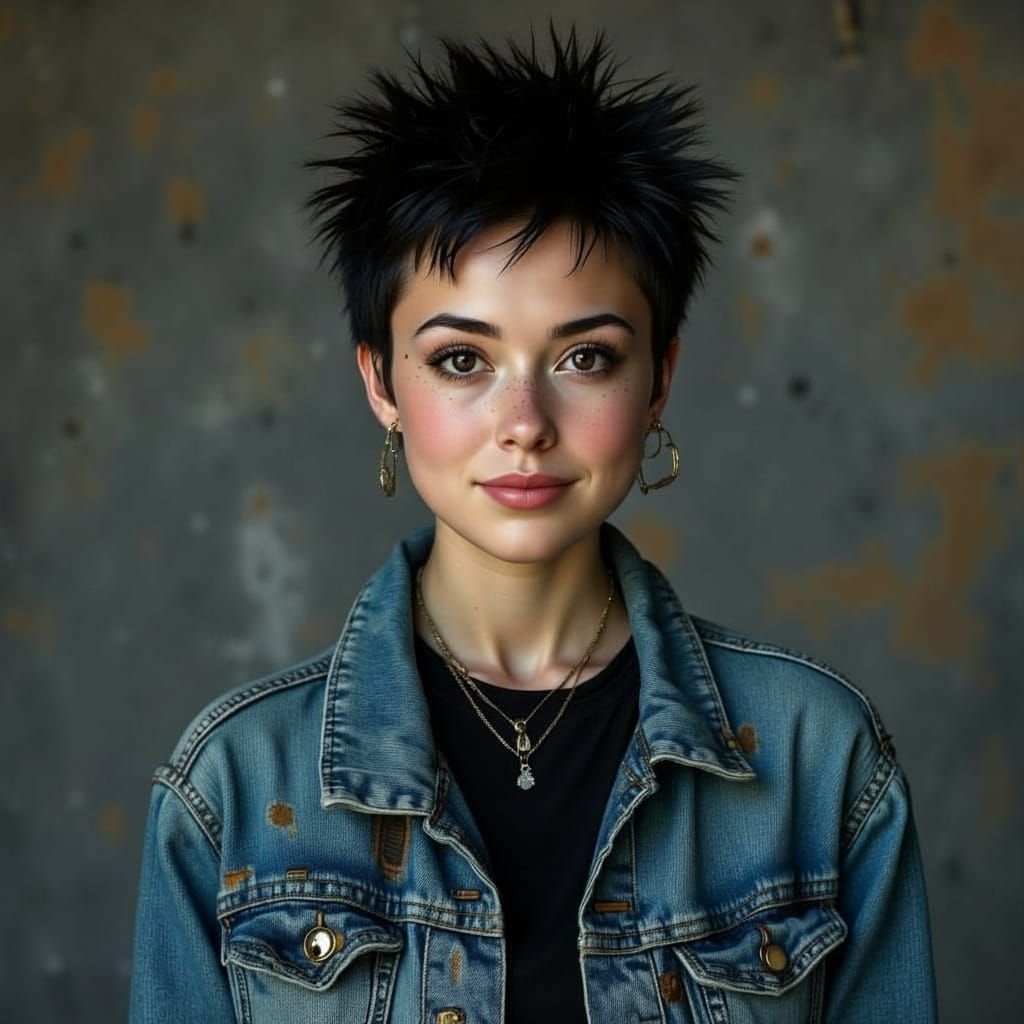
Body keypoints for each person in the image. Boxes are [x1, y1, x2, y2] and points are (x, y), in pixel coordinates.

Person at [128, 21, 938, 1024]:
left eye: (584, 357)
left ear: (658, 380)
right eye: (461, 360)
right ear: (381, 382)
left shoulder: (817, 758)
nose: (524, 424)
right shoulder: (233, 787)